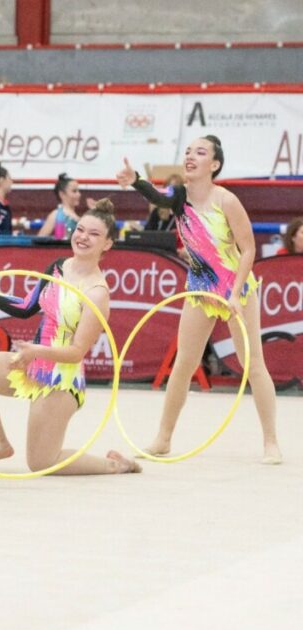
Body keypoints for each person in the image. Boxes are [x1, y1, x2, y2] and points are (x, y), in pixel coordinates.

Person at [118, 137, 283, 464]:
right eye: (189, 151)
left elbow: (248, 248)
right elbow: (156, 195)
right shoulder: (179, 198)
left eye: (201, 153)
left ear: (215, 165)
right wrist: (135, 179)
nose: (191, 157)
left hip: (236, 287)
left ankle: (271, 441)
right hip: (200, 288)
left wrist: (235, 294)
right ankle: (163, 438)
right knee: (183, 365)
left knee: (253, 365)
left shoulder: (227, 201)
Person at [0, 199, 141, 475]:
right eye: (80, 229)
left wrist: (36, 352)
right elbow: (26, 307)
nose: (82, 237)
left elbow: (77, 351)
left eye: (94, 234)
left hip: (60, 379)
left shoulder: (97, 293)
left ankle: (116, 465)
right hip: (31, 361)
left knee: (42, 462)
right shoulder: (58, 266)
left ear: (107, 244)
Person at [38, 173, 81, 239]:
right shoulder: (56, 214)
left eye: (78, 191)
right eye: (74, 191)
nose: (79, 194)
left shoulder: (76, 216)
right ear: (62, 194)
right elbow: (39, 239)